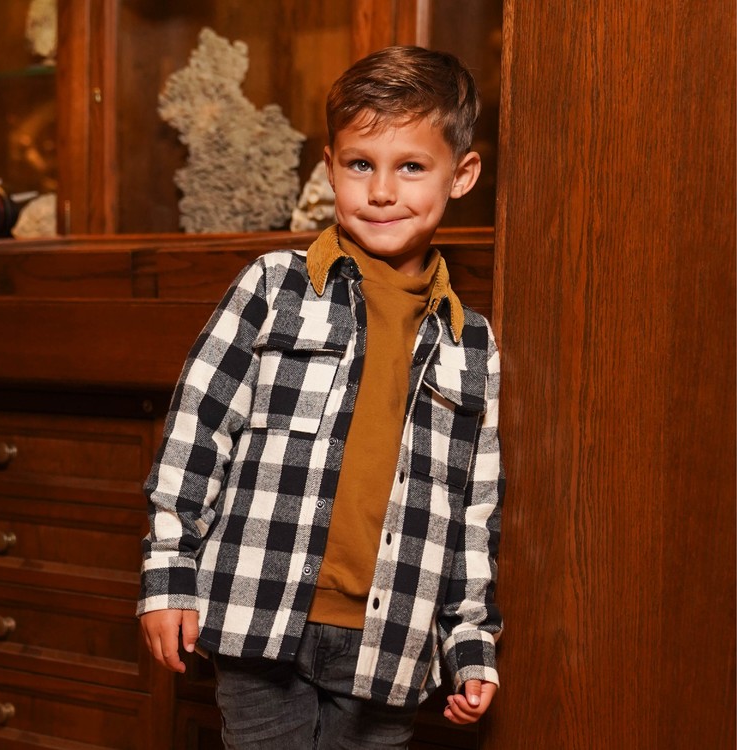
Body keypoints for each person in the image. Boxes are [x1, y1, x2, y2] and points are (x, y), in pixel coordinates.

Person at [138, 45, 504, 749]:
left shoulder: (473, 344)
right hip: (258, 614)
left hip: (391, 643)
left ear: (461, 175)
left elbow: (474, 514)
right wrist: (169, 573)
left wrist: (470, 642)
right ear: (330, 166)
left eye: (411, 167)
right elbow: (196, 436)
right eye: (361, 164)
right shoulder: (272, 286)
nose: (382, 191)